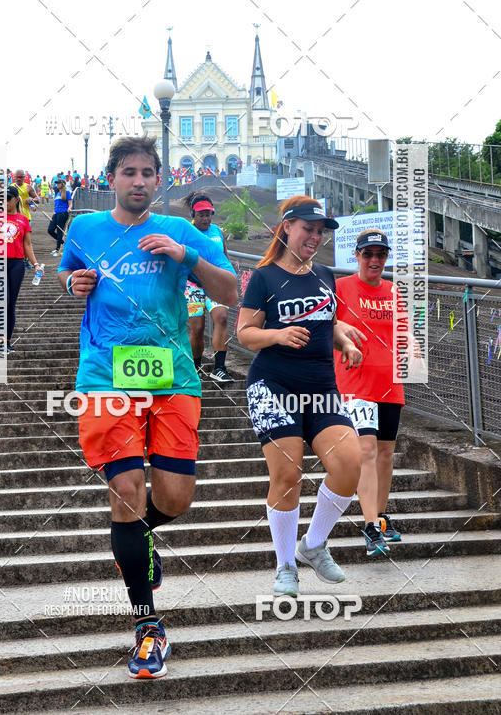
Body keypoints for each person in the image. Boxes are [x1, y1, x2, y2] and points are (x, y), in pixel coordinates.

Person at [58, 136, 237, 679]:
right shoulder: (85, 229)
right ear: (111, 177)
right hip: (105, 374)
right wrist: (73, 282)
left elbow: (230, 291)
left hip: (173, 376)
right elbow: (69, 276)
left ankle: (140, 538)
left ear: (160, 181)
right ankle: (147, 625)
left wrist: (186, 258)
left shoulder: (183, 231)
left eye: (147, 173)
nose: (138, 181)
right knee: (127, 491)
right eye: (128, 172)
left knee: (176, 499)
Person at [236, 196, 363, 597]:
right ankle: (285, 563)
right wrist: (277, 334)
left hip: (321, 388)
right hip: (273, 386)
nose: (315, 236)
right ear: (287, 226)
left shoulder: (325, 274)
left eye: (320, 230)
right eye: (308, 228)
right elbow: (244, 332)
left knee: (349, 463)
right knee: (288, 473)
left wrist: (342, 338)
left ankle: (312, 545)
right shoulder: (264, 277)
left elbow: (330, 318)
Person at [334, 229, 415, 554]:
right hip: (355, 383)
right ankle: (370, 527)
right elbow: (326, 324)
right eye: (368, 254)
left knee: (384, 454)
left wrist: (415, 349)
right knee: (365, 450)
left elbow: (405, 332)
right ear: (357, 256)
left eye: (381, 255)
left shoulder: (393, 291)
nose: (375, 260)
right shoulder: (341, 288)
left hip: (389, 383)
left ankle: (380, 517)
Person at [183, 192, 234, 382]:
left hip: (215, 284)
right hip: (192, 285)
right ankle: (195, 368)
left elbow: (225, 257)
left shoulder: (218, 232)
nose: (205, 218)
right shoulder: (186, 232)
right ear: (193, 215)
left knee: (221, 318)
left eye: (208, 214)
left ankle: (219, 368)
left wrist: (228, 279)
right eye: (201, 215)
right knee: (197, 328)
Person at [0, 186, 42, 352]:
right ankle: (0, 339)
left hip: (17, 263)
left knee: (11, 304)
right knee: (4, 300)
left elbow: (27, 244)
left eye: (8, 198)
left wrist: (36, 263)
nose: (5, 202)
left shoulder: (23, 219)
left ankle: (7, 341)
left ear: (16, 199)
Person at [48, 178, 72, 256]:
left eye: (58, 183)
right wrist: (53, 212)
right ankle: (63, 243)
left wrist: (69, 208)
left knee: (59, 231)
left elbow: (70, 203)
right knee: (50, 230)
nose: (57, 184)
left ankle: (57, 249)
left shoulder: (67, 192)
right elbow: (56, 205)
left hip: (63, 213)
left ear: (62, 184)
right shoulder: (57, 193)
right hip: (56, 213)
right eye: (56, 183)